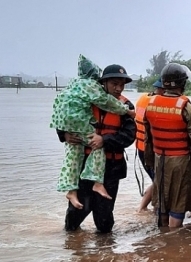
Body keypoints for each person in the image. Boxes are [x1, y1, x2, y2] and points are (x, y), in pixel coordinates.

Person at [57, 63, 136, 233]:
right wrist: (64, 135)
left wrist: (104, 139)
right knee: (76, 212)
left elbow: (129, 136)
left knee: (104, 216)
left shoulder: (126, 107)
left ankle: (105, 253)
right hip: (84, 166)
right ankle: (73, 248)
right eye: (114, 84)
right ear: (104, 83)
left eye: (122, 84)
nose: (119, 88)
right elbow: (64, 118)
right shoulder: (86, 99)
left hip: (111, 169)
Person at [143, 63, 191, 228]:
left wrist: (150, 160)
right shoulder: (187, 108)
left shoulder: (151, 104)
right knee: (178, 203)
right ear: (182, 83)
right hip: (180, 163)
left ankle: (162, 236)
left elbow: (148, 139)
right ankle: (173, 241)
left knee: (162, 199)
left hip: (159, 159)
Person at [136, 78, 164, 212]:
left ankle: (142, 208)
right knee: (160, 184)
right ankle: (158, 214)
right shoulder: (156, 104)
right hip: (150, 152)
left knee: (156, 181)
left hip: (141, 149)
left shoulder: (143, 98)